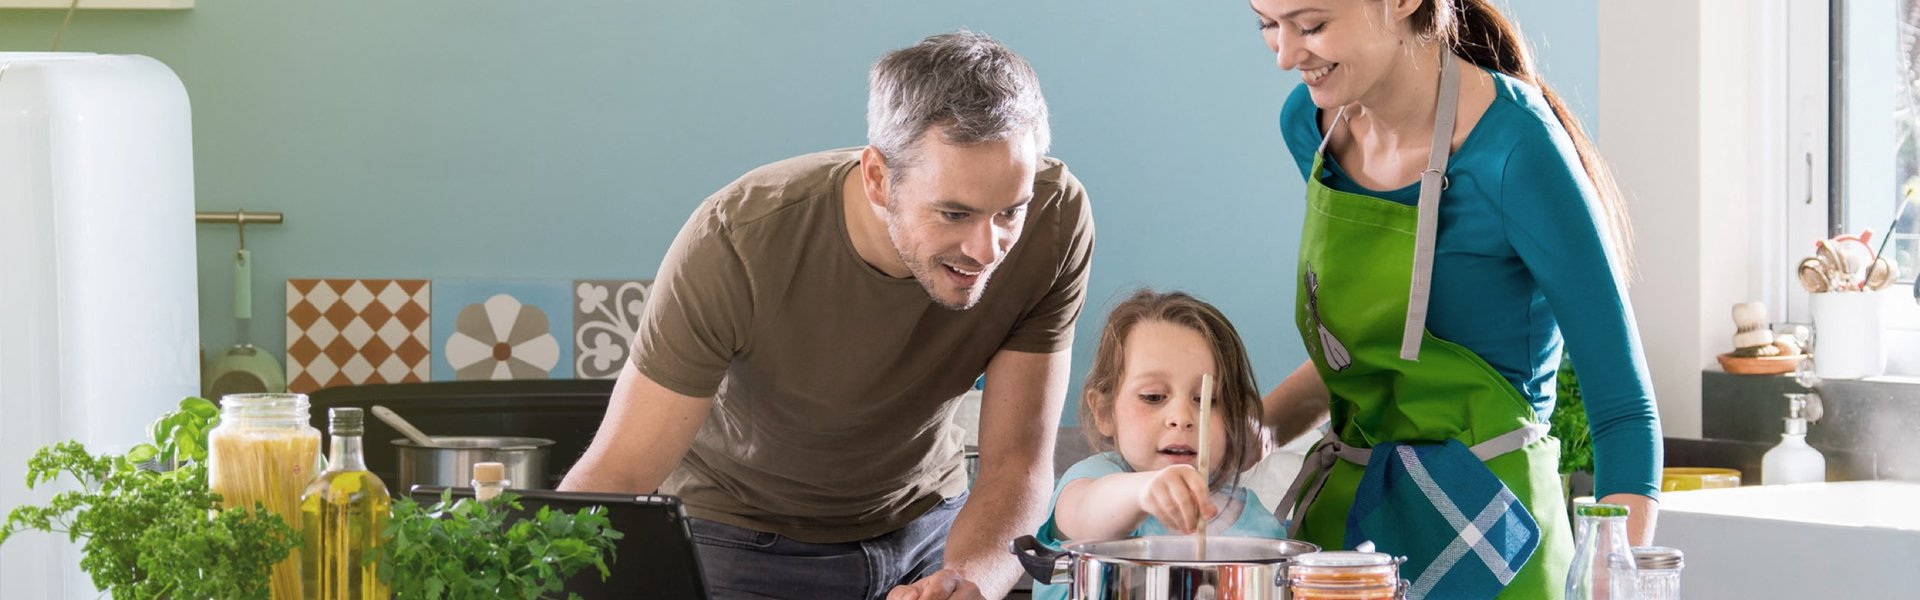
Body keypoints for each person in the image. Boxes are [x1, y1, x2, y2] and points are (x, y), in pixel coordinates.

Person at [558, 30, 1094, 600]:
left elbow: (1017, 462)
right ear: (878, 179)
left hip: (932, 530)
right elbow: (621, 473)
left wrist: (966, 583)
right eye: (954, 213)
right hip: (742, 540)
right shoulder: (737, 242)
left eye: (1010, 211)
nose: (988, 250)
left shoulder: (1056, 219)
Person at [1251, 1, 1663, 598]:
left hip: (1502, 546)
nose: (1287, 56)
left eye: (1312, 25)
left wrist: (1610, 580)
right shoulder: (1312, 128)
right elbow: (1376, 355)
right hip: (1351, 552)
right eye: (1268, 25)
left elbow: (1626, 411)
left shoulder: (1519, 151)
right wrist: (1249, 432)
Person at [1032, 289, 1286, 600]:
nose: (1182, 418)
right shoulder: (1093, 481)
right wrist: (1143, 491)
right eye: (1153, 397)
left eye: (1209, 400)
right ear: (1103, 412)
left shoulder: (1259, 526)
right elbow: (1085, 514)